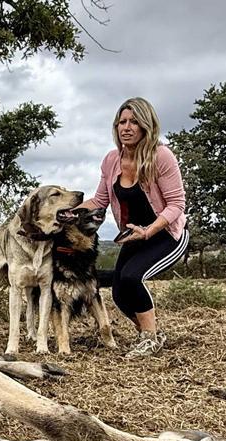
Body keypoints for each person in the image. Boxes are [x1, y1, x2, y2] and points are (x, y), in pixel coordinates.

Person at [74, 97, 188, 358]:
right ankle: (151, 334)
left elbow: (176, 204)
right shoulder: (112, 159)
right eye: (122, 122)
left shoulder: (161, 156)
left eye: (134, 122)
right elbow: (100, 200)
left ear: (146, 126)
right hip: (132, 236)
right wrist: (66, 210)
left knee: (132, 277)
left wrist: (149, 230)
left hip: (166, 234)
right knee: (119, 293)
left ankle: (149, 339)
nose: (126, 127)